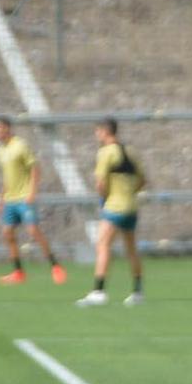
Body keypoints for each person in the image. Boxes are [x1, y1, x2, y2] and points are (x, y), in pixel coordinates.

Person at [74, 118, 146, 307]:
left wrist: (105, 198)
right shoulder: (131, 151)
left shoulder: (105, 152)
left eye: (97, 131)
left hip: (114, 206)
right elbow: (142, 180)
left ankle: (99, 291)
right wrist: (129, 193)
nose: (96, 135)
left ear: (105, 131)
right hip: (131, 207)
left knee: (103, 245)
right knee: (131, 248)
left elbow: (100, 183)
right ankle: (138, 291)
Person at [0, 117, 65, 285]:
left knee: (33, 231)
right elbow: (7, 177)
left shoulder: (20, 145)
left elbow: (35, 168)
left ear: (8, 128)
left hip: (24, 198)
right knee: (7, 233)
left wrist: (32, 192)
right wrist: (0, 198)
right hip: (10, 199)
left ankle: (56, 266)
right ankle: (18, 273)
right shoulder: (1, 150)